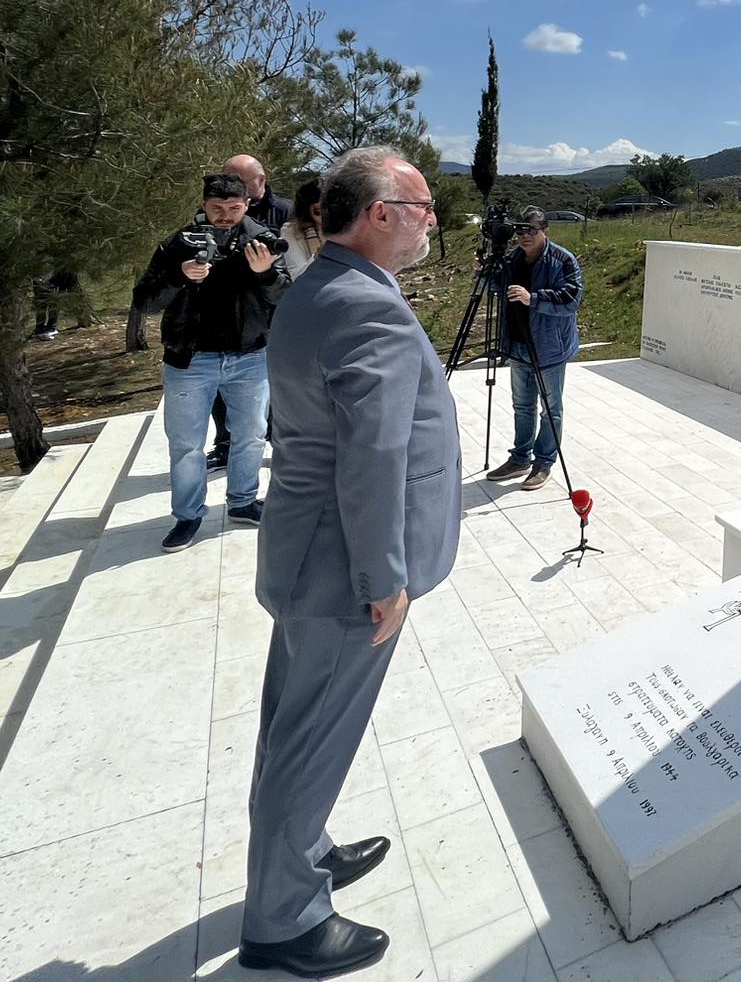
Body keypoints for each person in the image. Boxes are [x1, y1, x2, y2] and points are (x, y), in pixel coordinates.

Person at [241, 146, 459, 977]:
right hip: (343, 571)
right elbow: (372, 456)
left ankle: (306, 848)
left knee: (293, 726)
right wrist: (384, 578)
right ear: (378, 216)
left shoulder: (321, 286)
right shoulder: (367, 309)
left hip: (304, 552)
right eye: (422, 207)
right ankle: (285, 919)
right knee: (308, 741)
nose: (432, 221)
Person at [133, 173, 290, 551]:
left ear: (247, 204)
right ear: (203, 204)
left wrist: (265, 273)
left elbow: (286, 298)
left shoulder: (261, 242)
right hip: (191, 359)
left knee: (251, 435)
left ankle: (242, 501)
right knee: (186, 444)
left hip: (250, 356)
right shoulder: (178, 244)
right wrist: (179, 276)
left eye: (233, 208)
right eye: (216, 208)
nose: (224, 215)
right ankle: (187, 517)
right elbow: (146, 300)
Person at [484, 206, 584, 492]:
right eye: (520, 230)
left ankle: (544, 462)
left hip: (549, 348)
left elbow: (572, 299)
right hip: (517, 343)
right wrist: (483, 271)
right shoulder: (512, 258)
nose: (524, 235)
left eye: (531, 230)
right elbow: (495, 286)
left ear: (545, 232)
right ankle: (520, 458)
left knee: (550, 409)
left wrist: (534, 298)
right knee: (522, 405)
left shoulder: (562, 259)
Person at [210, 153, 291, 468]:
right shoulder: (213, 213)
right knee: (222, 383)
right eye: (227, 178)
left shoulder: (286, 212)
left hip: (276, 306)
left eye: (239, 181)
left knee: (276, 382)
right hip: (228, 312)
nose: (232, 187)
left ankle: (279, 438)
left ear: (261, 180)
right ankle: (225, 443)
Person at [283, 179, 325, 280]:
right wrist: (320, 255)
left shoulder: (351, 227)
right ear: (306, 211)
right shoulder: (291, 232)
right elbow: (297, 277)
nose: (327, 215)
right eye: (319, 211)